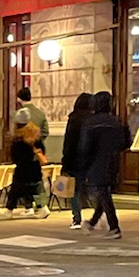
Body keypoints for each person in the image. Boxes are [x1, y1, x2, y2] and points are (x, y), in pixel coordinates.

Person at [81, 90, 131, 238]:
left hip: (96, 162)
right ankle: (92, 222)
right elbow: (125, 143)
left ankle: (114, 227)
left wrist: (83, 164)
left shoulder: (91, 123)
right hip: (114, 162)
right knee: (104, 193)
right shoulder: (116, 121)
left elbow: (85, 147)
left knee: (103, 194)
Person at [12, 84, 50, 217]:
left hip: (23, 153)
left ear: (19, 99)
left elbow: (15, 133)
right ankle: (41, 205)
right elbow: (46, 131)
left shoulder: (20, 114)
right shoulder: (40, 113)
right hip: (36, 152)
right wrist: (37, 141)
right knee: (37, 179)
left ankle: (29, 206)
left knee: (22, 179)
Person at [59, 91, 94, 226]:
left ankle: (76, 218)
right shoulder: (92, 119)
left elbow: (68, 141)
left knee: (75, 190)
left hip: (74, 159)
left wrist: (65, 159)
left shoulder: (73, 119)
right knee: (94, 188)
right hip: (89, 159)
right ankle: (99, 215)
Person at [5, 119, 46, 215]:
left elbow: (15, 157)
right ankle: (41, 207)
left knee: (15, 190)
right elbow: (43, 151)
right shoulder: (37, 140)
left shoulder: (18, 141)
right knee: (37, 190)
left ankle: (9, 209)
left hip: (22, 171)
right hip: (35, 169)